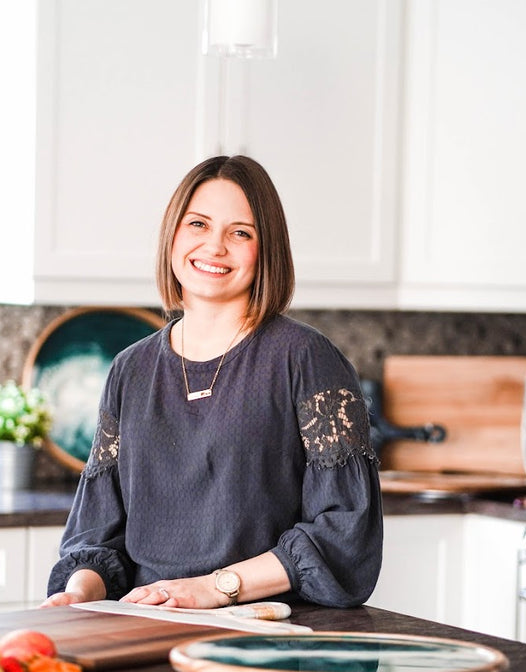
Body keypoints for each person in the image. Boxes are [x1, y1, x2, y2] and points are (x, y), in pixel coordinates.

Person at [43, 155, 382, 609]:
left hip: (270, 633)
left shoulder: (305, 358)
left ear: (267, 250)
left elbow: (346, 534)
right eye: (198, 224)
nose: (215, 247)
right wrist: (77, 595)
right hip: (148, 625)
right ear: (173, 235)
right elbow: (99, 536)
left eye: (240, 232)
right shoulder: (130, 369)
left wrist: (212, 588)